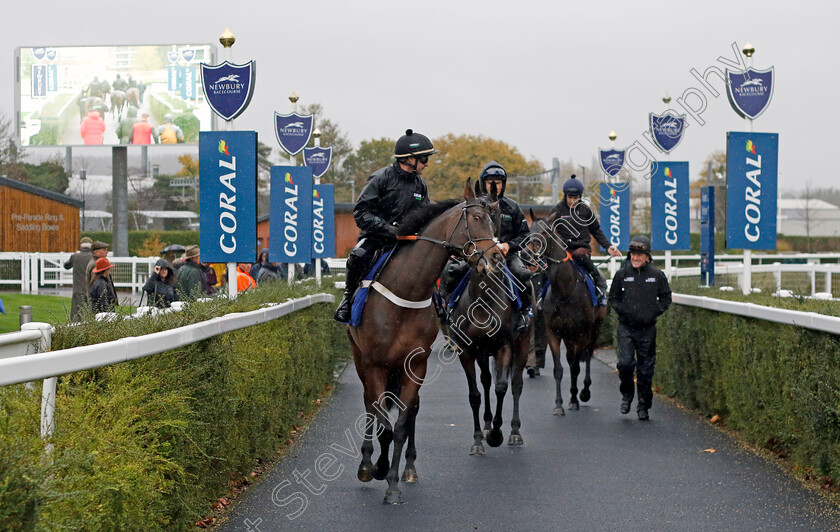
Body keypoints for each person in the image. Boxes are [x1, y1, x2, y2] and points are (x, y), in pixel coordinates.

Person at [334, 129, 437, 322]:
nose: (427, 163)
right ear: (409, 159)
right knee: (357, 256)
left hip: (409, 241)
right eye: (424, 158)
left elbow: (426, 214)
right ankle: (347, 299)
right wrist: (389, 229)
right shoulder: (381, 178)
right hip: (378, 239)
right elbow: (361, 212)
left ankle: (437, 301)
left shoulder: (420, 185)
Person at [608, 235, 672, 421]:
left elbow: (666, 298)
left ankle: (643, 405)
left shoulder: (656, 275)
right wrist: (624, 312)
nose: (635, 258)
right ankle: (627, 395)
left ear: (647, 257)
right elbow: (613, 298)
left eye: (639, 255)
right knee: (625, 364)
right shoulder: (622, 274)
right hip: (626, 328)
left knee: (645, 371)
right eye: (633, 254)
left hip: (647, 330)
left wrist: (653, 313)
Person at [549, 176, 622, 304]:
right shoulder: (557, 210)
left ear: (580, 197)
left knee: (580, 255)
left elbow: (596, 230)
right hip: (563, 250)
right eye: (570, 197)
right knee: (548, 267)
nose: (572, 200)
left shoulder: (585, 210)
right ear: (565, 196)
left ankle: (598, 281)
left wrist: (608, 246)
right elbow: (549, 232)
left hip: (581, 248)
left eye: (575, 198)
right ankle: (540, 295)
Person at [63, 237, 93, 321]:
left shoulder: (75, 257)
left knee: (77, 314)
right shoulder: (93, 257)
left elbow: (66, 266)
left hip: (78, 289)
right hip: (91, 289)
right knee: (91, 313)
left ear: (81, 246)